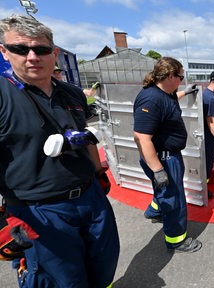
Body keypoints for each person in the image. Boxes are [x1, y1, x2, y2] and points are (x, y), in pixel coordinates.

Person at [0, 14, 120, 287]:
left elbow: (86, 137)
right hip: (38, 210)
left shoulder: (72, 93)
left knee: (103, 265)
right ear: (4, 53)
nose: (32, 57)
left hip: (90, 198)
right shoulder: (4, 95)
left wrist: (98, 173)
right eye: (21, 48)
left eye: (41, 49)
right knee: (62, 281)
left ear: (54, 54)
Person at [133, 56, 202, 253]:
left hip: (163, 156)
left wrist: (185, 92)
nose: (182, 80)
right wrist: (158, 170)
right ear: (170, 75)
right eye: (181, 77)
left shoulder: (165, 93)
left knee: (162, 191)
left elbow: (170, 100)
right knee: (173, 198)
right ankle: (176, 239)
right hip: (162, 158)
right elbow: (141, 137)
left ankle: (154, 211)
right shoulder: (151, 98)